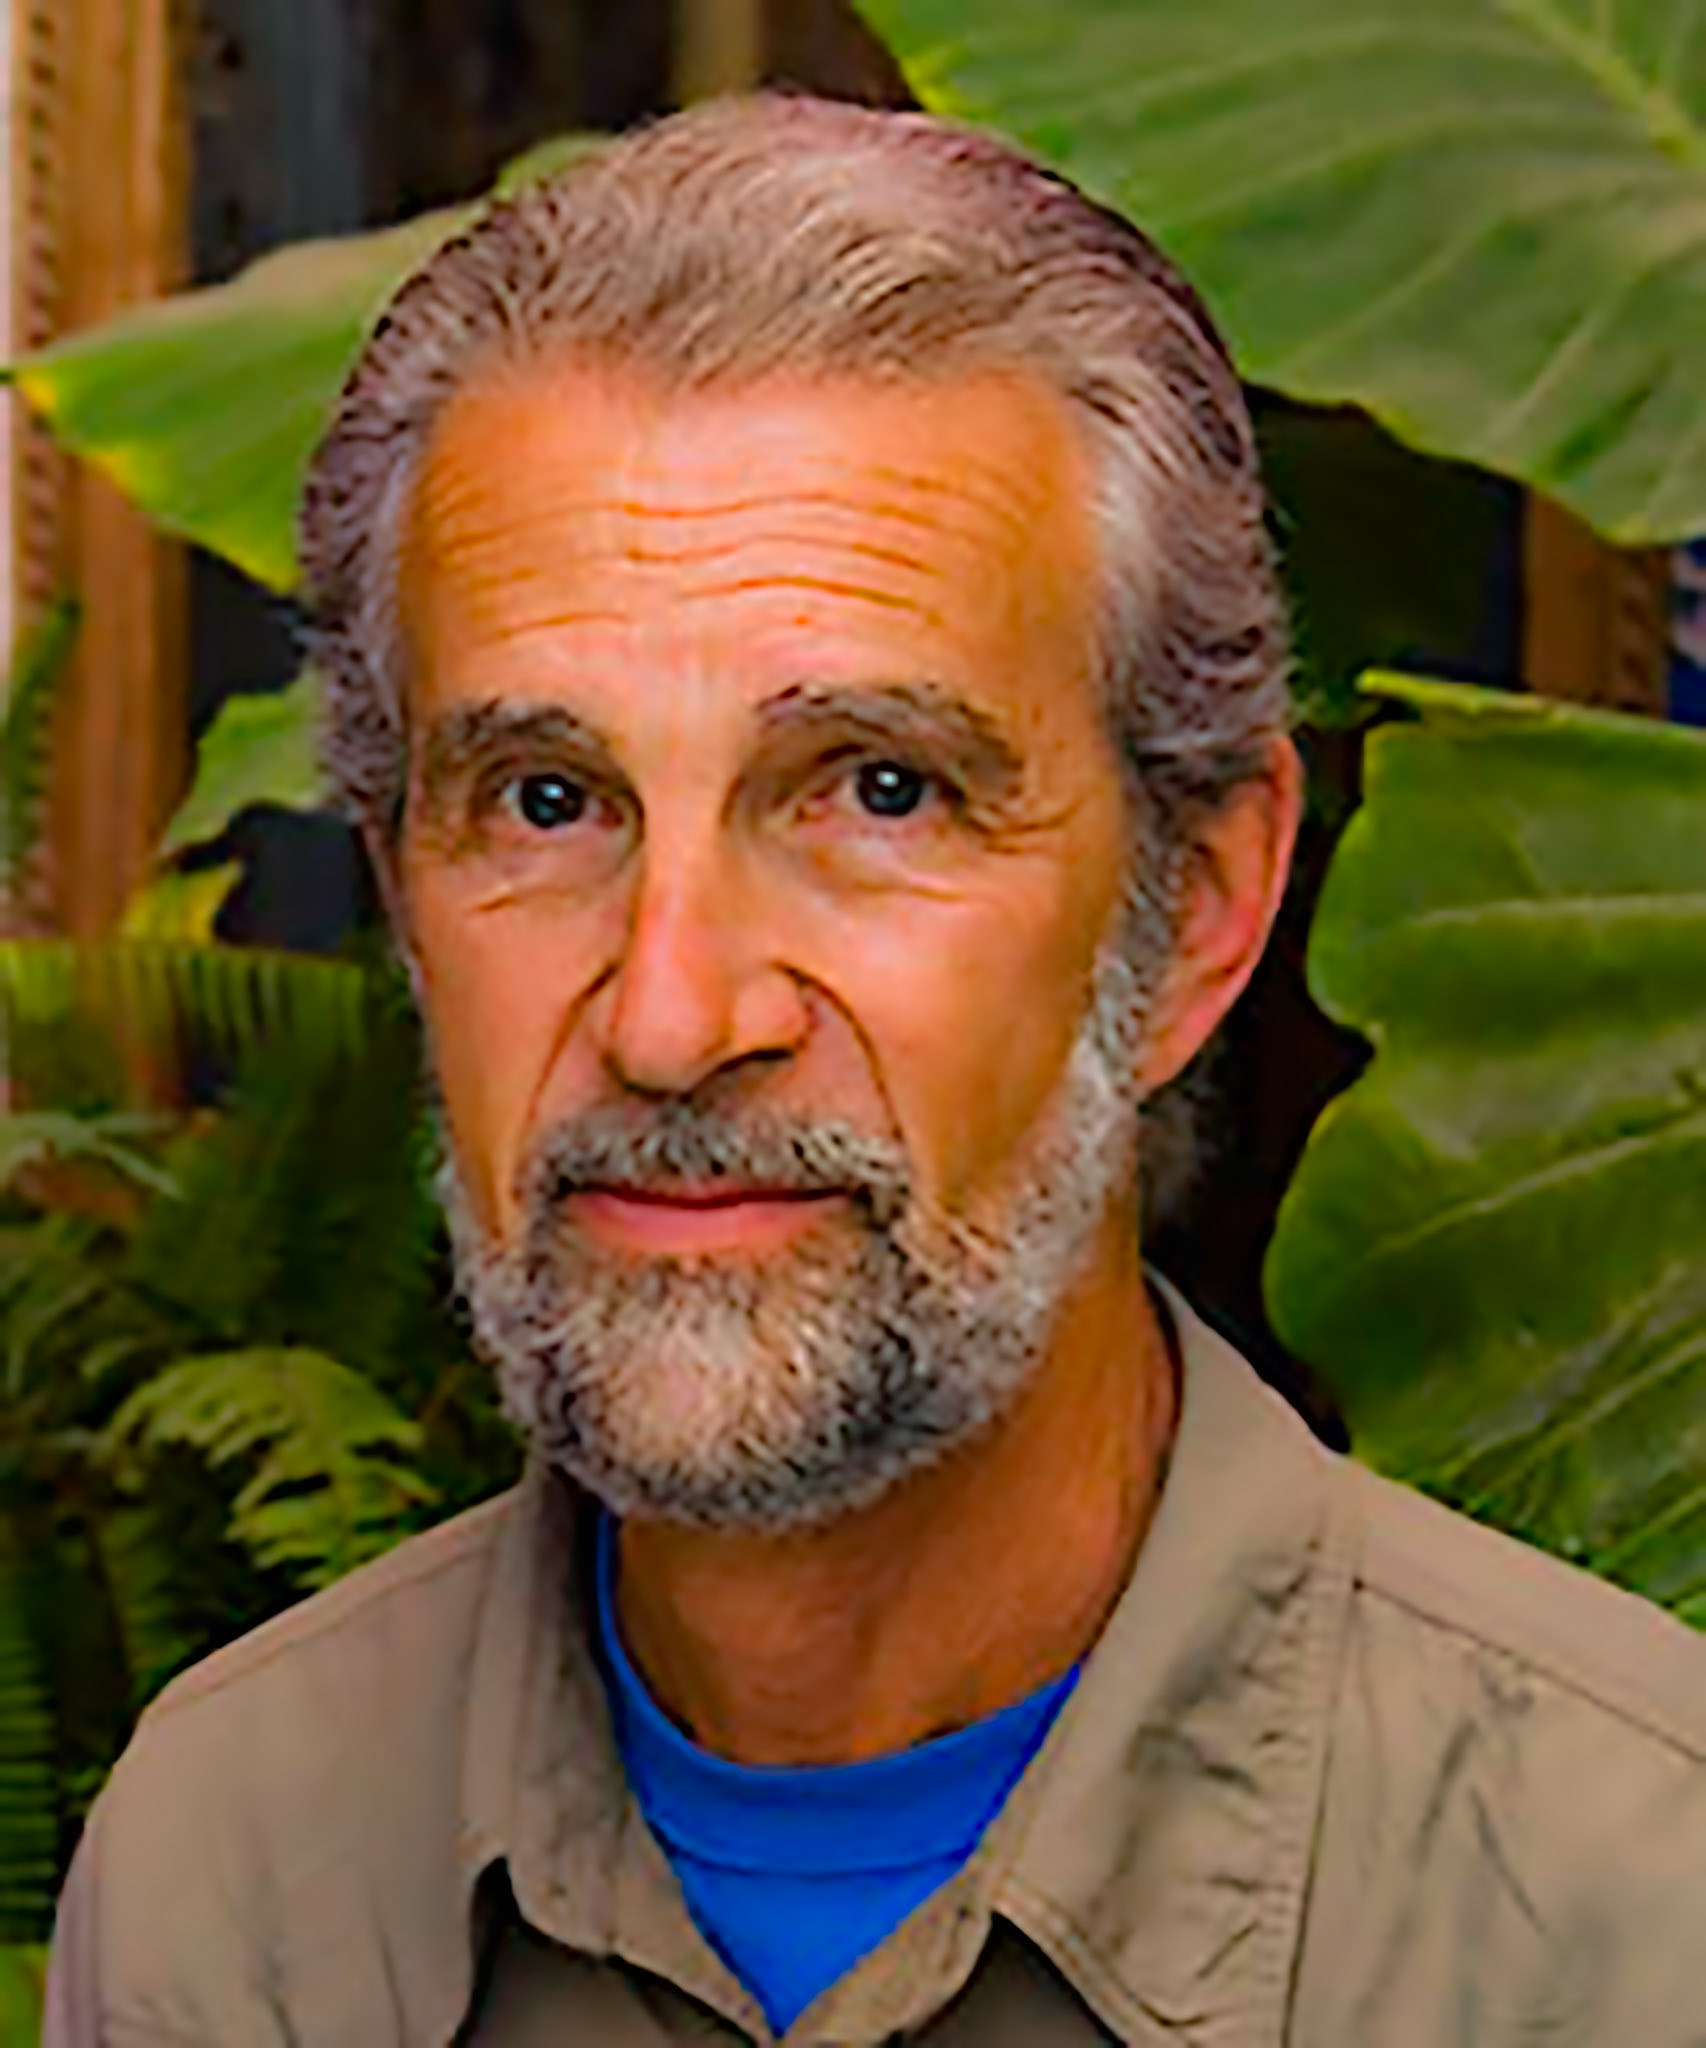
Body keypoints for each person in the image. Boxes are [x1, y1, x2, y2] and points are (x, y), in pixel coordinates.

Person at [42, 93, 1706, 2048]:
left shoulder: (1630, 1910)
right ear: (406, 900)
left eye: (878, 789)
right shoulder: (236, 1869)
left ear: (1192, 911)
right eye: (548, 798)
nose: (671, 1018)